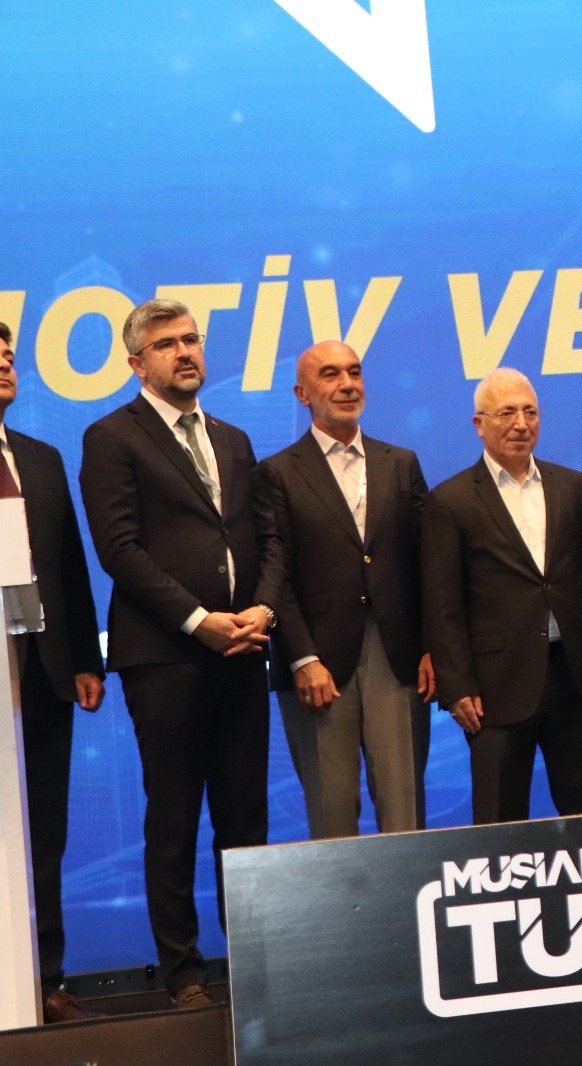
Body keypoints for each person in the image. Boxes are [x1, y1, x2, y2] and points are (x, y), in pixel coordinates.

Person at [79, 299, 282, 1008]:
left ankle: (254, 966)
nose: (186, 352)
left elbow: (267, 538)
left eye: (191, 339)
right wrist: (199, 621)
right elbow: (119, 549)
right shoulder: (112, 436)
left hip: (243, 650)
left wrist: (262, 610)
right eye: (167, 344)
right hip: (165, 655)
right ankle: (185, 974)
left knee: (245, 818)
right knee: (174, 818)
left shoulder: (233, 438)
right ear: (138, 363)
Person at [423, 368, 582, 821]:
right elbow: (442, 604)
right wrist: (457, 686)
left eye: (530, 412)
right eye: (507, 413)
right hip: (495, 686)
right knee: (500, 820)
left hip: (575, 674)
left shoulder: (572, 486)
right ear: (479, 424)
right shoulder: (450, 500)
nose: (521, 424)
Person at [254, 341, 433, 839]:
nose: (347, 384)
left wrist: (431, 646)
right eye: (330, 375)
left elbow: (429, 564)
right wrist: (301, 658)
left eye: (354, 372)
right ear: (302, 394)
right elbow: (274, 574)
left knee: (405, 814)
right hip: (318, 663)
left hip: (397, 657)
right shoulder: (276, 472)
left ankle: (407, 895)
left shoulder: (401, 462)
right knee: (332, 816)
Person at [0, 322, 106, 1022]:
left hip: (42, 671)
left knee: (45, 830)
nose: (5, 364)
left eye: (9, 355)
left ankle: (46, 980)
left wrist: (85, 661)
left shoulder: (39, 458)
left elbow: (67, 565)